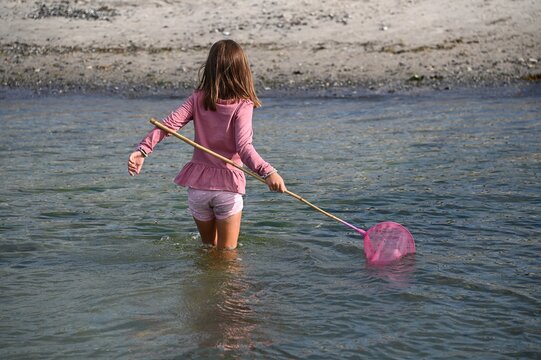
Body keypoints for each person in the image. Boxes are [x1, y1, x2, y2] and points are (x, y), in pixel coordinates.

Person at [128, 39, 286, 250]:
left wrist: (142, 150)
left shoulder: (197, 98)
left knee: (208, 251)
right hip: (227, 188)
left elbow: (167, 125)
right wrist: (268, 172)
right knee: (228, 258)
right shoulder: (243, 104)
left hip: (198, 191)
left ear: (210, 68)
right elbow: (244, 147)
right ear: (242, 71)